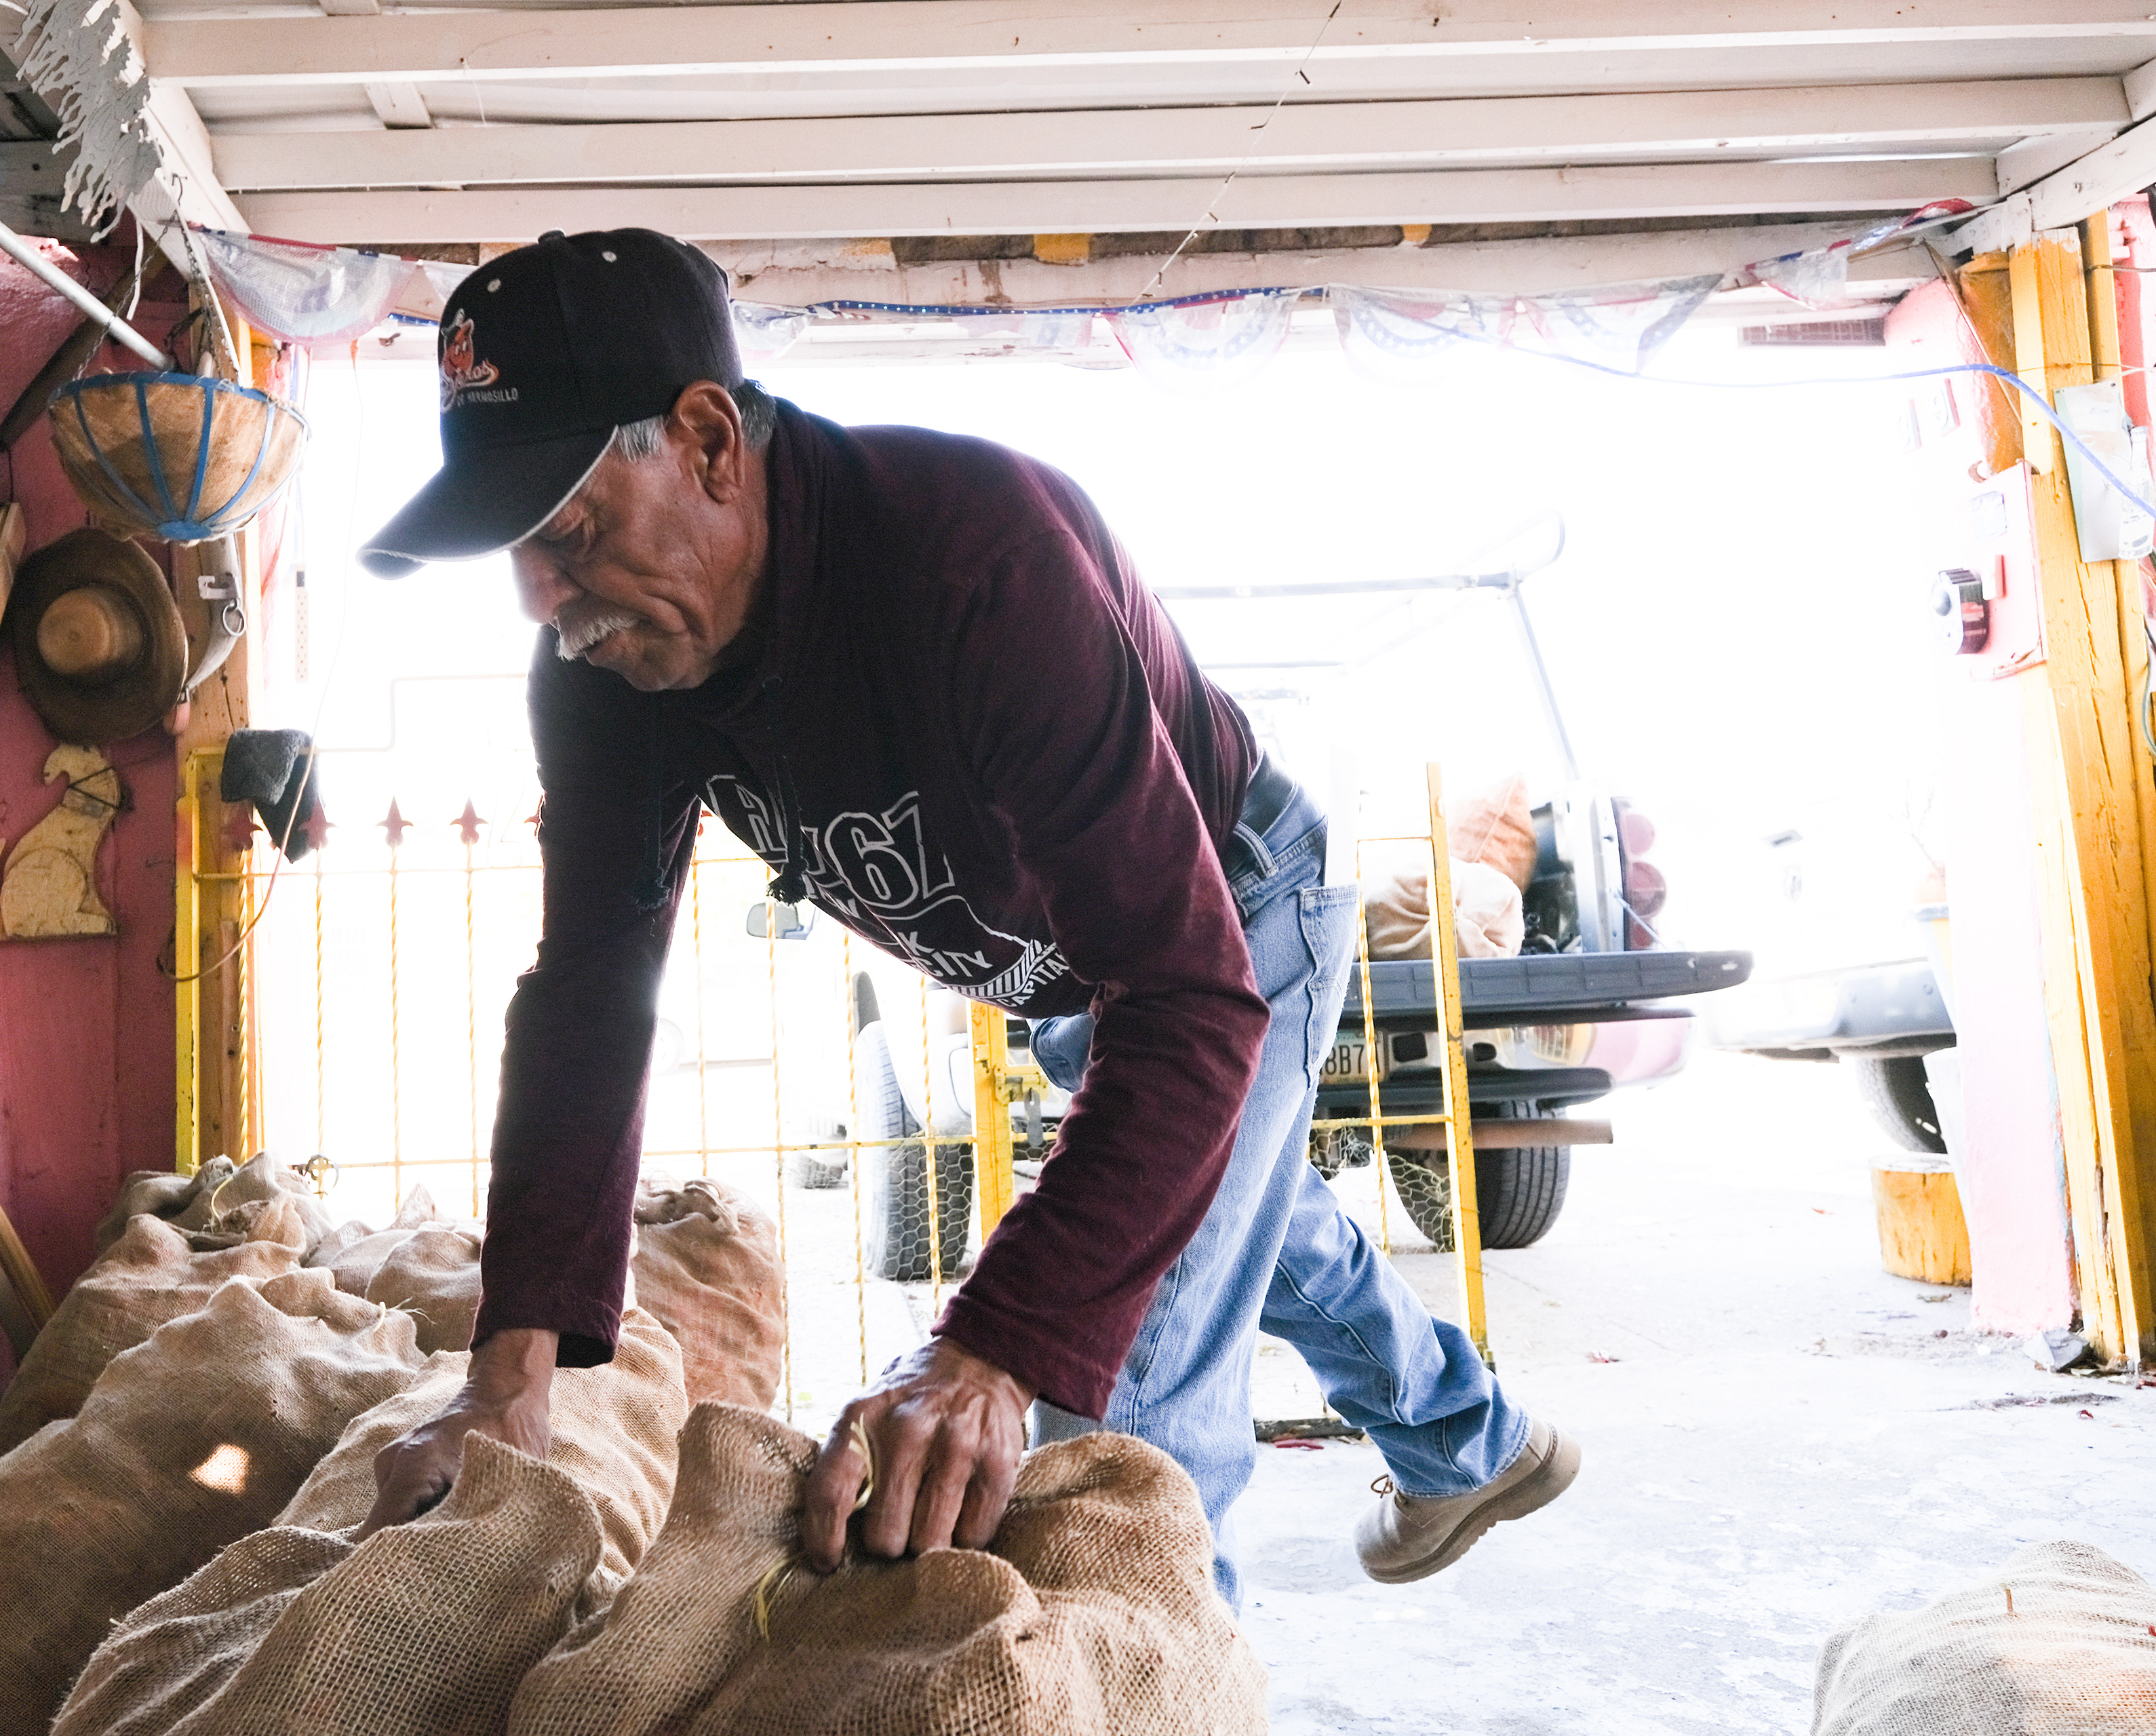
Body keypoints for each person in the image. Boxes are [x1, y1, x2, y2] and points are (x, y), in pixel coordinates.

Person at [352, 229, 1578, 1603]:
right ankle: (1466, 1437)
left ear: (705, 439)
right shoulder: (608, 662)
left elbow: (1185, 998)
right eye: (516, 549)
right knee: (1227, 1206)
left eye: (567, 530)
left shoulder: (974, 563)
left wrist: (993, 1346)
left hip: (1228, 915)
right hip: (1066, 966)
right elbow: (589, 992)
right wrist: (503, 1386)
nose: (541, 597)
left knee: (1109, 1442)